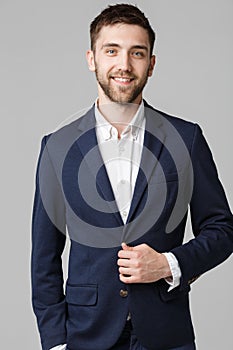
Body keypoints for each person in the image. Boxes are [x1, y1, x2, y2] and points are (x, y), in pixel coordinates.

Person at [31, 4, 233, 350]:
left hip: (166, 333)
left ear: (151, 64)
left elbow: (223, 230)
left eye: (136, 53)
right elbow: (44, 255)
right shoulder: (57, 147)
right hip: (85, 335)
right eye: (112, 51)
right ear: (92, 58)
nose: (124, 65)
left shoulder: (186, 139)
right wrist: (55, 341)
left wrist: (169, 264)